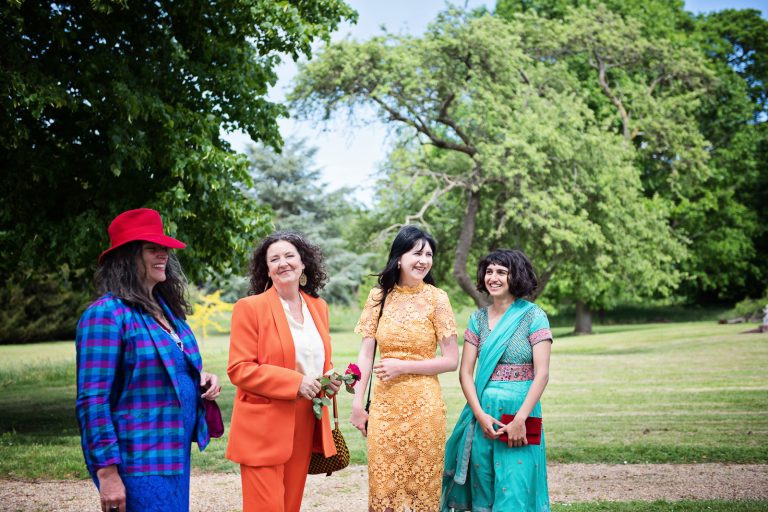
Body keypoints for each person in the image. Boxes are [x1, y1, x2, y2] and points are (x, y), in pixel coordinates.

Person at [75, 208, 222, 512]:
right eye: (152, 248)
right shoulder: (106, 315)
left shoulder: (167, 312)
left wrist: (200, 378)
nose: (163, 254)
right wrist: (108, 474)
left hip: (173, 454)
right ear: (128, 257)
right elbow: (92, 400)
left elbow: (163, 366)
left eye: (164, 248)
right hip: (137, 461)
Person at [226, 232, 341, 512]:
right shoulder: (249, 308)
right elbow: (239, 369)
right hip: (263, 427)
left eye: (289, 256)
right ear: (266, 269)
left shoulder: (318, 307)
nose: (283, 263)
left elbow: (318, 360)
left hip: (304, 422)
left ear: (303, 264)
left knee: (290, 507)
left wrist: (330, 380)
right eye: (274, 259)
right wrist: (296, 382)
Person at [351, 225, 459, 512]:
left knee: (421, 491)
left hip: (425, 409)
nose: (423, 260)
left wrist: (403, 366)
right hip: (385, 408)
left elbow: (451, 360)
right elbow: (365, 353)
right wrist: (357, 404)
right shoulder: (379, 297)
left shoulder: (438, 299)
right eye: (417, 253)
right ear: (399, 257)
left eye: (428, 254)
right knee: (384, 487)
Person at [442, 249, 553, 512]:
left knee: (516, 488)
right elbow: (465, 373)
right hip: (484, 416)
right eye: (489, 271)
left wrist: (520, 420)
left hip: (520, 414)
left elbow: (543, 373)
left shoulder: (533, 316)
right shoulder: (478, 319)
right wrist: (479, 415)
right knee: (485, 489)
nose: (493, 277)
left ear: (516, 276)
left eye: (501, 272)